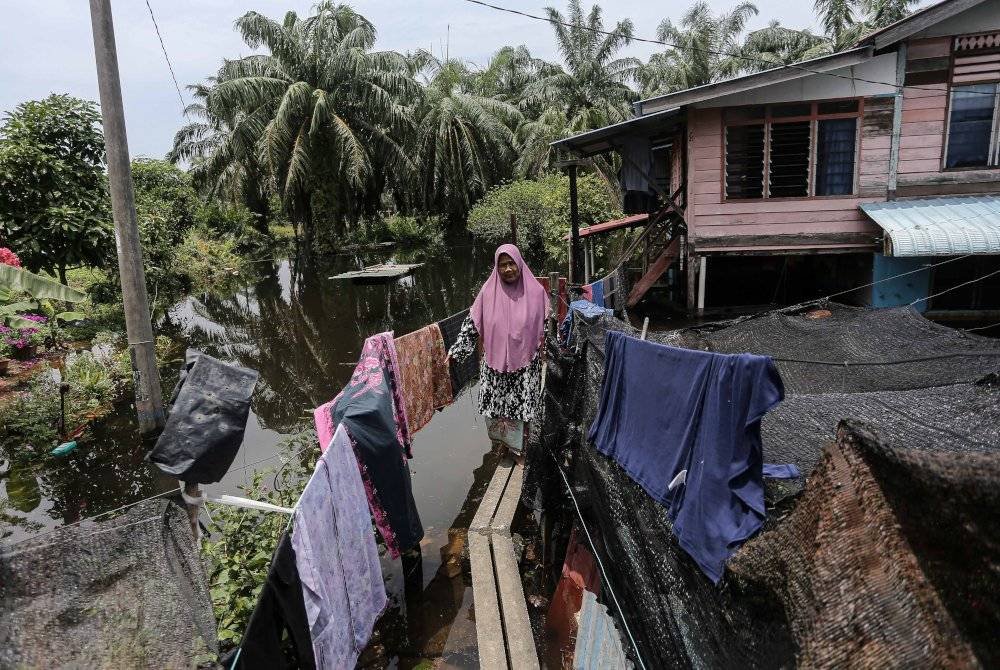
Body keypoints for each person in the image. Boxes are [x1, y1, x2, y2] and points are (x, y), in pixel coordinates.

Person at [448, 244, 551, 462]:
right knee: (495, 407)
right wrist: (457, 350)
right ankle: (503, 445)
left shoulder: (536, 293)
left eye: (511, 263)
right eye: (502, 265)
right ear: (497, 268)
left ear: (519, 264)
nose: (507, 269)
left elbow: (548, 327)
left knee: (522, 406)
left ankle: (520, 450)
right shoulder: (487, 292)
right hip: (493, 365)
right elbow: (472, 324)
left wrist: (553, 351)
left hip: (524, 365)